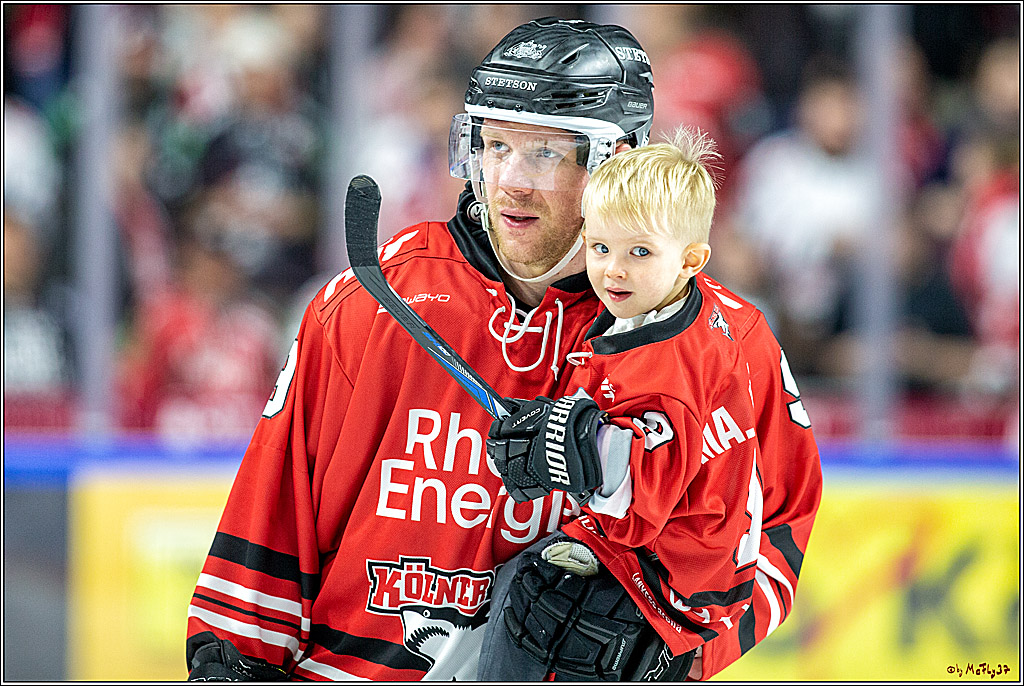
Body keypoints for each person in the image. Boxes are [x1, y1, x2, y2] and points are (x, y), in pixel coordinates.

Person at [186, 16, 820, 682]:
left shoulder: (720, 346)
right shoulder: (372, 306)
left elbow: (770, 542)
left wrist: (664, 649)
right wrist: (233, 664)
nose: (511, 180)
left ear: (618, 158)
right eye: (495, 145)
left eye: (546, 152)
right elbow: (270, 530)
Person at [480, 128, 822, 680]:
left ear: (691, 259)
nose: (614, 269)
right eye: (601, 247)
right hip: (694, 548)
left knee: (535, 603)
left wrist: (580, 448)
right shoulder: (685, 315)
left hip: (679, 574)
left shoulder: (669, 369)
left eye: (639, 252)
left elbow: (643, 502)